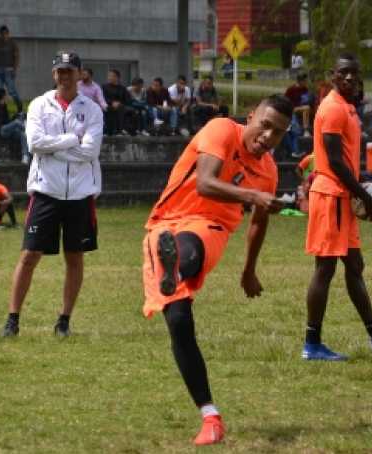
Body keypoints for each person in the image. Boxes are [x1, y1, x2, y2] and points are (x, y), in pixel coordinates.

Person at [142, 95, 292, 445]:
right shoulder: (221, 129)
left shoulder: (268, 170)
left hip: (211, 229)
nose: (269, 137)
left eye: (279, 133)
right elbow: (204, 183)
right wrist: (253, 197)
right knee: (178, 320)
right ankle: (210, 417)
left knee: (190, 250)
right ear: (250, 115)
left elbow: (258, 224)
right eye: (265, 125)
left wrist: (249, 270)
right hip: (164, 223)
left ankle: (175, 266)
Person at [303, 53, 372, 361]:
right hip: (331, 197)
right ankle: (312, 344)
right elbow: (334, 161)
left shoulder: (348, 108)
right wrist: (364, 196)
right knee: (325, 269)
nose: (349, 78)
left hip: (342, 197)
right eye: (343, 73)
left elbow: (345, 160)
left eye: (354, 73)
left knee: (355, 266)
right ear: (333, 76)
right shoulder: (334, 108)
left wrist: (362, 183)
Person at [1, 51, 103, 338]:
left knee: (74, 257)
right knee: (29, 254)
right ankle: (12, 319)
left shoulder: (92, 109)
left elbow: (91, 151)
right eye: (60, 70)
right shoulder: (39, 105)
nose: (64, 76)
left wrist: (55, 147)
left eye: (70, 70)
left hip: (80, 195)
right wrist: (73, 140)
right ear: (53, 74)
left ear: (80, 74)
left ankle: (64, 321)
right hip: (46, 191)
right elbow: (34, 143)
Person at [0, 88, 30, 164]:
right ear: (3, 96)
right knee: (17, 123)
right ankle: (30, 129)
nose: (7, 96)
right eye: (6, 95)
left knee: (22, 134)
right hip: (0, 130)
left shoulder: (4, 106)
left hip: (7, 129)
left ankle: (25, 156)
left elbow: (7, 121)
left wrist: (15, 116)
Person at [0, 25, 22, 113]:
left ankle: (19, 106)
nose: (4, 36)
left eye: (5, 34)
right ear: (0, 34)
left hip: (9, 71)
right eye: (2, 34)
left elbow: (16, 57)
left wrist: (14, 69)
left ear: (8, 34)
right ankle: (1, 109)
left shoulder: (12, 43)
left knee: (11, 90)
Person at [102, 69, 133, 136]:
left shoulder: (122, 88)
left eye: (112, 76)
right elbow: (103, 97)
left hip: (120, 106)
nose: (110, 77)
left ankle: (120, 131)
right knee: (110, 109)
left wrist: (119, 103)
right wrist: (112, 103)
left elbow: (128, 99)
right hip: (108, 105)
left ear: (117, 77)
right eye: (109, 76)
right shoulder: (104, 87)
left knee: (121, 109)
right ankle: (108, 131)